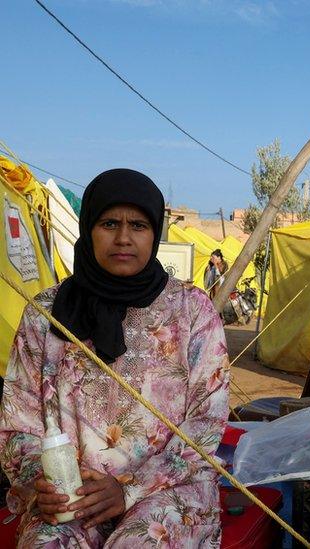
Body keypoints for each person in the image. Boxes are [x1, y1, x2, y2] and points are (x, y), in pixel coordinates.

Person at [0, 169, 230, 548]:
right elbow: (18, 423)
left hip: (169, 489)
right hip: (73, 495)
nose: (124, 237)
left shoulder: (193, 311)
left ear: (155, 234)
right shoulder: (45, 312)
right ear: (88, 228)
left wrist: (130, 488)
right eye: (109, 223)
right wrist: (43, 480)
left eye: (138, 225)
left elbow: (207, 423)